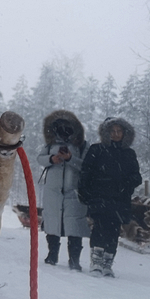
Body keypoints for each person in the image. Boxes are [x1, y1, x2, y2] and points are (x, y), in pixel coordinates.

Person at [77, 117, 142, 278]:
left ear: (125, 133)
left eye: (119, 131)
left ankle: (108, 263)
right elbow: (85, 173)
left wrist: (126, 184)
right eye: (112, 131)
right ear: (106, 133)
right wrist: (85, 193)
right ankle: (96, 262)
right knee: (99, 228)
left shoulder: (128, 153)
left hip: (120, 200)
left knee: (113, 231)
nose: (115, 134)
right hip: (99, 197)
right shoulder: (96, 150)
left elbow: (136, 176)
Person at [36, 110, 88, 270]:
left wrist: (70, 159)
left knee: (75, 225)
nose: (64, 130)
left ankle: (74, 260)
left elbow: (86, 166)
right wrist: (52, 159)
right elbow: (40, 159)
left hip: (74, 192)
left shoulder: (82, 146)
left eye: (68, 127)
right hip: (53, 191)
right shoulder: (50, 145)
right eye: (61, 127)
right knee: (52, 222)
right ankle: (52, 255)